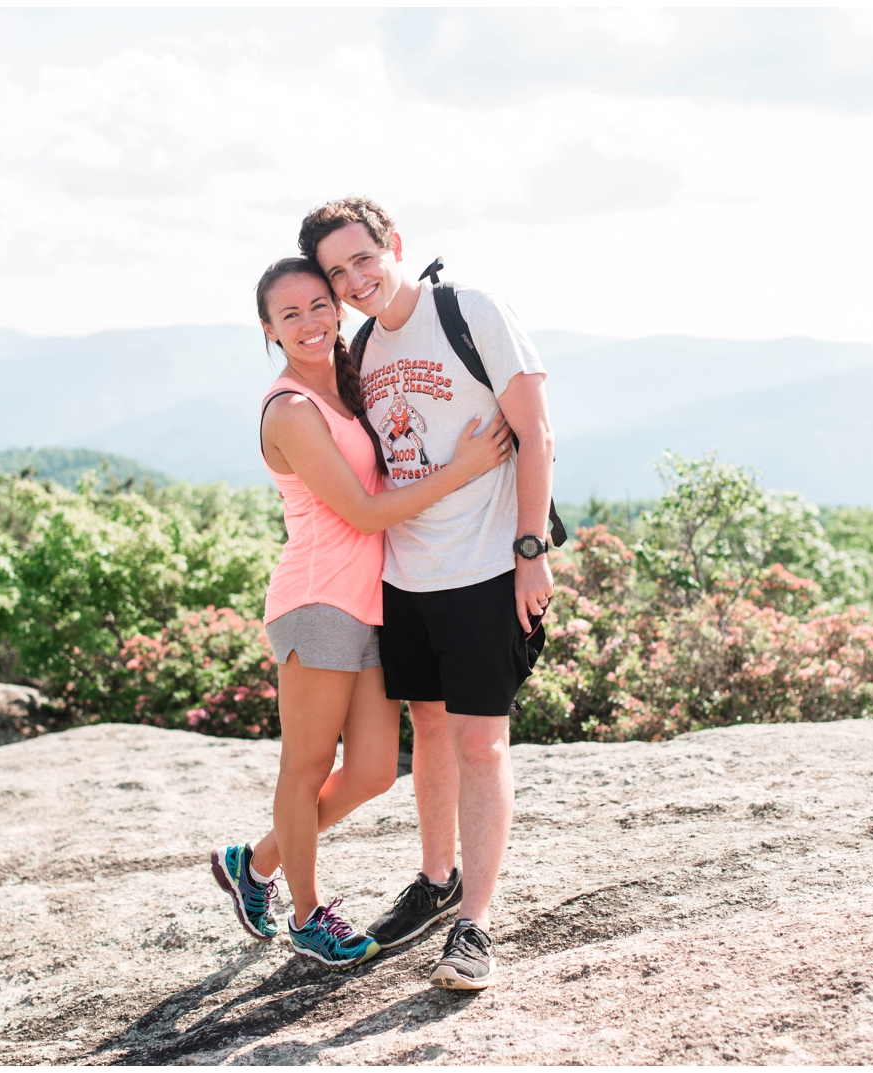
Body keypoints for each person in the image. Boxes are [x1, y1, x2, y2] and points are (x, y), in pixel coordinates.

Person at [212, 256, 513, 971]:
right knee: (308, 762)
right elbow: (363, 509)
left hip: (373, 598)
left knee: (376, 768)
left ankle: (252, 863)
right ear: (268, 330)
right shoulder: (290, 408)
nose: (312, 321)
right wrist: (467, 468)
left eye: (320, 304)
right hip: (318, 600)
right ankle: (306, 913)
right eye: (291, 315)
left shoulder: (349, 379)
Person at [300, 197, 555, 990]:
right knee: (430, 730)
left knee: (482, 742)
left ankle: (475, 921)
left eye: (362, 260)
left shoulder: (471, 311)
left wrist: (531, 551)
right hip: (407, 572)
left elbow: (537, 431)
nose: (354, 280)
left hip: (485, 566)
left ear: (394, 245)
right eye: (337, 273)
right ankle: (436, 877)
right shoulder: (364, 347)